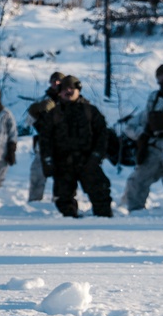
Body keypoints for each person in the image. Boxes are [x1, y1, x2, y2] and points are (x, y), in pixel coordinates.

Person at [39, 75, 113, 218]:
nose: (69, 91)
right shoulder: (53, 114)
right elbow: (45, 140)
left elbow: (102, 135)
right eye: (65, 89)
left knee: (100, 193)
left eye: (72, 88)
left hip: (88, 160)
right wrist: (47, 161)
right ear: (59, 92)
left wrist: (97, 156)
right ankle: (70, 226)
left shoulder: (90, 111)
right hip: (63, 162)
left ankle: (105, 223)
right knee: (63, 198)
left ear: (78, 90)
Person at [121, 64, 163, 211]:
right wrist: (142, 135)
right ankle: (135, 212)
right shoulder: (154, 98)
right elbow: (138, 122)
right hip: (155, 147)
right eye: (160, 76)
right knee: (137, 180)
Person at [25, 72, 63, 201]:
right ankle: (34, 201)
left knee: (62, 175)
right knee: (37, 173)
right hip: (43, 143)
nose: (56, 83)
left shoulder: (68, 100)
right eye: (53, 81)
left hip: (62, 144)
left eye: (59, 81)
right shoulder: (42, 100)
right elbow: (28, 121)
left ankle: (61, 202)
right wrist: (37, 110)